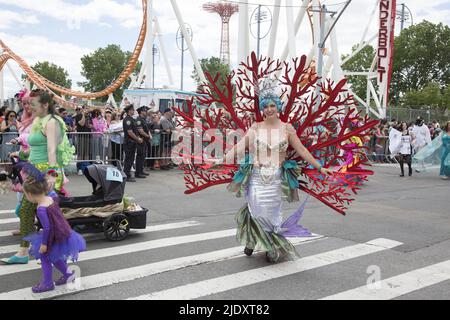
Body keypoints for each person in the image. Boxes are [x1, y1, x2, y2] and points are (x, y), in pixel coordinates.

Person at [210, 94, 333, 263]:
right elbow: (240, 146)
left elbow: (302, 150)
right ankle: (254, 239)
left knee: (273, 214)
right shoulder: (256, 127)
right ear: (262, 110)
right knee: (257, 211)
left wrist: (320, 167)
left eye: (272, 106)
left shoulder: (287, 129)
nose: (269, 109)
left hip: (275, 177)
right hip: (257, 176)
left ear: (278, 107)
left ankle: (270, 246)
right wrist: (222, 160)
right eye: (265, 107)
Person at [1, 89, 74, 265]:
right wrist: (22, 154)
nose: (29, 107)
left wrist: (50, 175)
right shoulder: (39, 120)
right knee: (29, 212)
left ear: (45, 104)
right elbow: (35, 148)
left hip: (45, 173)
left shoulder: (53, 122)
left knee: (46, 215)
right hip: (33, 171)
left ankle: (53, 250)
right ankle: (25, 251)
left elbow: (51, 150)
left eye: (33, 104)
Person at [21, 169, 85, 293]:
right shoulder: (51, 198)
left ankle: (47, 283)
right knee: (54, 258)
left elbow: (47, 228)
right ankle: (68, 275)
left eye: (25, 194)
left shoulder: (40, 208)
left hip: (52, 236)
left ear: (29, 194)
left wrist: (44, 244)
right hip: (62, 231)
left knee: (45, 258)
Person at [122, 104, 144, 182]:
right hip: (129, 142)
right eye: (132, 110)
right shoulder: (127, 120)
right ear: (129, 111)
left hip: (132, 142)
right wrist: (138, 139)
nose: (133, 111)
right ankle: (126, 175)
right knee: (128, 159)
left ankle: (126, 175)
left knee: (130, 159)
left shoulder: (131, 119)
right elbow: (130, 132)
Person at [135, 106, 152, 177]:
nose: (146, 112)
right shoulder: (138, 120)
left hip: (144, 140)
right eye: (145, 111)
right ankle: (138, 172)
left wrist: (149, 135)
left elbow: (147, 129)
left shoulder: (143, 119)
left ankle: (141, 170)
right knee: (140, 156)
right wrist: (148, 136)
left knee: (143, 156)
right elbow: (140, 131)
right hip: (140, 140)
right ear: (141, 112)